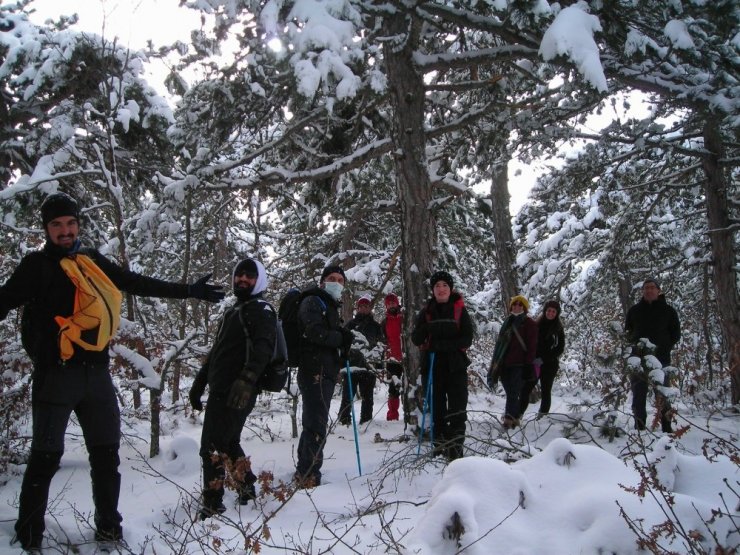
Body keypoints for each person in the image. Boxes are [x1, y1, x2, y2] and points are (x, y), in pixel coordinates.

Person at [0, 193, 224, 551]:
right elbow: (4, 300)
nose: (65, 231)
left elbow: (133, 282)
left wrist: (189, 292)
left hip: (97, 376)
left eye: (70, 223)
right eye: (57, 225)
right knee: (45, 460)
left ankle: (109, 532)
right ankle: (28, 539)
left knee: (106, 457)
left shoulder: (89, 260)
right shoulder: (36, 266)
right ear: (46, 229)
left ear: (78, 225)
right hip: (55, 376)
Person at [188, 258, 276, 520]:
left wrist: (246, 380)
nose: (243, 280)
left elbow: (263, 349)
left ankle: (213, 503)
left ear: (259, 280)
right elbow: (217, 352)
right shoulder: (235, 310)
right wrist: (198, 385)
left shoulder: (262, 310)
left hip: (239, 390)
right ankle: (246, 487)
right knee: (226, 442)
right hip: (221, 388)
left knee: (212, 448)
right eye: (239, 275)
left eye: (250, 276)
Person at [294, 265, 353, 487]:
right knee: (315, 423)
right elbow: (314, 333)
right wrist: (340, 338)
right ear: (322, 281)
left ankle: (306, 470)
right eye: (331, 278)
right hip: (314, 370)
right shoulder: (313, 301)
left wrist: (342, 346)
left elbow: (328, 338)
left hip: (324, 370)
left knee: (315, 421)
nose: (336, 283)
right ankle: (308, 475)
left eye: (340, 280)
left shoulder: (328, 306)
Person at [411, 271, 474, 461]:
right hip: (433, 366)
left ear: (450, 288)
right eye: (437, 286)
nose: (441, 289)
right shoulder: (427, 311)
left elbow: (467, 338)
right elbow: (416, 338)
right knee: (437, 410)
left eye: (444, 285)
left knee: (457, 410)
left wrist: (442, 345)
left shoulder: (459, 310)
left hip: (456, 367)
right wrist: (426, 329)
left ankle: (455, 451)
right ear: (433, 290)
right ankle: (439, 450)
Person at [625, 278, 680, 432]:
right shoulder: (634, 311)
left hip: (661, 359)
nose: (648, 290)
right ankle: (639, 425)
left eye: (652, 287)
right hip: (638, 359)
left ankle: (667, 427)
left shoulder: (668, 311)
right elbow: (628, 331)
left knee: (663, 393)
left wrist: (665, 346)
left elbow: (675, 334)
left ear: (658, 290)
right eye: (646, 288)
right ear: (642, 291)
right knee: (638, 394)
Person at [488, 295, 538, 429]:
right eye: (514, 304)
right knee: (509, 390)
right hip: (504, 364)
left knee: (513, 392)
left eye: (520, 305)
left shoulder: (529, 324)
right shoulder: (507, 322)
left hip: (520, 364)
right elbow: (500, 344)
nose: (517, 307)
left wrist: (528, 364)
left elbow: (532, 346)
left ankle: (508, 420)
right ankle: (515, 416)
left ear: (525, 308)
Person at [338, 296, 382, 426]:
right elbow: (342, 343)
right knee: (347, 396)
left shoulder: (376, 326)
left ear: (370, 308)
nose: (363, 308)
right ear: (357, 308)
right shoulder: (350, 325)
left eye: (366, 306)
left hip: (368, 367)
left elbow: (380, 346)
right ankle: (344, 420)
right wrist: (342, 363)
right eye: (361, 306)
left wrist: (378, 366)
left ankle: (366, 420)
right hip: (351, 365)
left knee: (368, 397)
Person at [519, 300, 565, 418]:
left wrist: (544, 359)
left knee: (546, 390)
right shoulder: (537, 324)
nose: (550, 313)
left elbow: (560, 348)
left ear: (557, 313)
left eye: (553, 311)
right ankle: (518, 415)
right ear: (545, 311)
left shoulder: (558, 329)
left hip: (550, 365)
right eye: (549, 310)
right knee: (525, 389)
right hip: (535, 363)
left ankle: (542, 417)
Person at [381, 293, 404, 421]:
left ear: (397, 303)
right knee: (393, 389)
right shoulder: (384, 322)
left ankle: (411, 414)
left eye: (393, 302)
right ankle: (392, 416)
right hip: (392, 359)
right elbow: (382, 341)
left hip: (407, 358)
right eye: (388, 303)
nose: (391, 305)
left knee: (410, 387)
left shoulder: (405, 316)